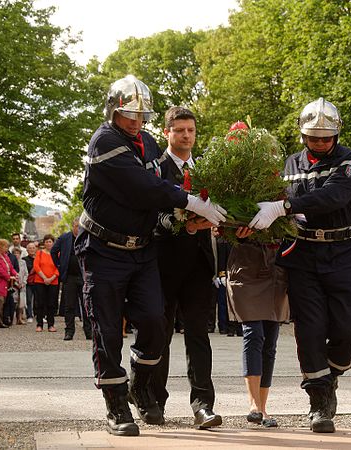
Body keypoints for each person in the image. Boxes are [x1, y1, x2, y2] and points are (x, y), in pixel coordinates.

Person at [74, 75, 225, 437]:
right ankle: (116, 405)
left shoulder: (147, 141)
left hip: (141, 250)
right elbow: (144, 188)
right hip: (103, 250)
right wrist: (187, 201)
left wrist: (185, 213)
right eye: (130, 114)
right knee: (107, 329)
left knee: (156, 322)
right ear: (114, 111)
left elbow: (154, 194)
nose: (136, 121)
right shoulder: (105, 142)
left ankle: (139, 384)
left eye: (142, 115)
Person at [249, 98, 351, 433]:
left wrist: (283, 205)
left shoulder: (350, 162)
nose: (320, 143)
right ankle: (319, 402)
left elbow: (332, 197)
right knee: (309, 331)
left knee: (347, 328)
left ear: (336, 135)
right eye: (314, 138)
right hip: (303, 256)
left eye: (326, 138)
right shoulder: (290, 164)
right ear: (302, 135)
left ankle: (332, 375)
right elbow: (270, 200)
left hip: (342, 254)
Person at [148, 106, 223, 428]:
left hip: (199, 267)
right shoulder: (155, 169)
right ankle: (153, 403)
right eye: (179, 130)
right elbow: (150, 217)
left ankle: (203, 405)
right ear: (167, 132)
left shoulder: (207, 170)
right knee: (158, 336)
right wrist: (187, 225)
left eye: (191, 130)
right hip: (162, 266)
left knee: (198, 337)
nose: (186, 136)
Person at [226, 227, 289, 428]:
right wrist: (236, 233)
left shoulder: (287, 198)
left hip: (275, 267)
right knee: (254, 334)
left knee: (270, 342)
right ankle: (253, 404)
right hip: (246, 267)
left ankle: (263, 407)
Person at [52, 219, 90, 341]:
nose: (78, 229)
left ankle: (89, 332)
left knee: (86, 305)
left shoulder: (86, 237)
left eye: (80, 227)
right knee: (69, 306)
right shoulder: (64, 238)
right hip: (69, 277)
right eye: (76, 227)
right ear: (72, 227)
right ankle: (69, 332)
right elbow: (53, 251)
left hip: (84, 276)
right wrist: (59, 266)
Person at [0, 239, 18, 329]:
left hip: (4, 283)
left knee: (2, 302)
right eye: (5, 246)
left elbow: (10, 267)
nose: (7, 248)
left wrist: (15, 274)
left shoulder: (5, 256)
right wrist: (9, 277)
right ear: (0, 247)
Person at [33, 234, 59, 333]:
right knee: (40, 303)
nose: (48, 243)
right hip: (40, 281)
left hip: (53, 281)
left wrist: (51, 278)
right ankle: (39, 324)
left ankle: (51, 324)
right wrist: (44, 278)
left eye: (50, 241)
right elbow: (36, 266)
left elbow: (59, 267)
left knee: (51, 304)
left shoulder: (57, 254)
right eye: (47, 241)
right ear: (44, 243)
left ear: (53, 243)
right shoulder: (39, 253)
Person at [11, 247, 28, 325]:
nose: (16, 255)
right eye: (15, 253)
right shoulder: (11, 262)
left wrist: (23, 282)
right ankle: (12, 318)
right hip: (14, 285)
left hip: (22, 285)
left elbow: (26, 273)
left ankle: (20, 318)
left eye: (18, 253)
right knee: (14, 302)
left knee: (22, 303)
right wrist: (16, 283)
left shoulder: (23, 262)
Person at [23, 242, 37, 322]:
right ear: (27, 250)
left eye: (33, 248)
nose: (32, 249)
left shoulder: (39, 258)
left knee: (38, 300)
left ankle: (38, 314)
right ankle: (29, 315)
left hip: (38, 281)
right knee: (28, 299)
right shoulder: (24, 259)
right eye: (30, 248)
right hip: (28, 282)